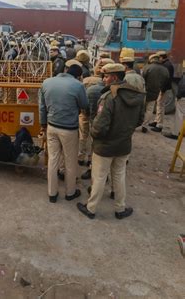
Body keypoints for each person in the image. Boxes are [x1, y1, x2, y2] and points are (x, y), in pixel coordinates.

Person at [77, 63, 145, 220]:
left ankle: (91, 208)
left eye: (106, 76)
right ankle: (120, 209)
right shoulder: (137, 95)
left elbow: (100, 127)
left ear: (114, 77)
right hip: (124, 144)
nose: (104, 79)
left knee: (99, 177)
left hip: (105, 146)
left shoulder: (108, 97)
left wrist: (93, 134)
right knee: (119, 176)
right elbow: (139, 120)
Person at [39, 63, 88, 203]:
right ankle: (70, 192)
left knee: (53, 160)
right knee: (70, 161)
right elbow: (84, 105)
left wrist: (43, 124)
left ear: (66, 70)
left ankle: (52, 194)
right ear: (79, 76)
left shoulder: (47, 82)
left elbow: (42, 107)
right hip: (69, 129)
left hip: (51, 126)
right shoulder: (78, 86)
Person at [79, 58, 113, 180]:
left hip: (85, 113)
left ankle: (80, 157)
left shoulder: (87, 80)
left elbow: (81, 98)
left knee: (83, 136)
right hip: (101, 118)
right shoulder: (111, 87)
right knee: (95, 141)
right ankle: (90, 160)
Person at [142, 54, 170, 133]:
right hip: (156, 92)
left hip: (144, 91)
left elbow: (142, 78)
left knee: (141, 108)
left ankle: (135, 124)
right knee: (149, 109)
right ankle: (145, 125)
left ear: (151, 59)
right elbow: (166, 81)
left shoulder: (147, 67)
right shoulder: (165, 70)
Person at [150, 51, 175, 132]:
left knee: (160, 105)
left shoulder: (167, 65)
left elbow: (166, 79)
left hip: (164, 88)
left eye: (158, 58)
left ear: (161, 57)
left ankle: (159, 125)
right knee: (158, 104)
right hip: (163, 88)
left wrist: (162, 89)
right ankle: (156, 121)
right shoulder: (167, 64)